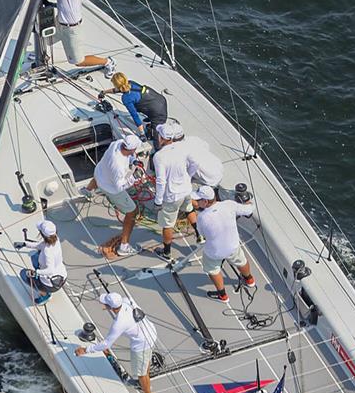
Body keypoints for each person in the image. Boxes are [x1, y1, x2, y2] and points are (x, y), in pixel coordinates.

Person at [75, 292, 158, 393]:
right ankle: (140, 383)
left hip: (142, 343)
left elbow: (106, 344)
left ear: (110, 307)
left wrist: (85, 350)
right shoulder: (128, 301)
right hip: (151, 332)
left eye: (105, 303)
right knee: (144, 365)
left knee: (141, 373)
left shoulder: (120, 322)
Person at [43, 0, 115, 74]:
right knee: (45, 40)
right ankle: (42, 58)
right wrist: (51, 4)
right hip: (60, 22)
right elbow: (66, 3)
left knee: (78, 61)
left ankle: (107, 62)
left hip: (71, 29)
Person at [193, 184, 256, 302]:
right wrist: (248, 203)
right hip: (233, 247)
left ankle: (222, 295)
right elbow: (249, 209)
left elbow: (201, 233)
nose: (196, 202)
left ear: (205, 201)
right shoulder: (229, 205)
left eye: (198, 200)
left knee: (213, 270)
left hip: (214, 252)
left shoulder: (201, 217)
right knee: (241, 261)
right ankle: (250, 280)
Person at [88, 132, 142, 258]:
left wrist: (134, 161)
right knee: (132, 211)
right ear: (132, 148)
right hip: (111, 189)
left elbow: (130, 154)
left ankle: (87, 191)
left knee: (99, 178)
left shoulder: (117, 144)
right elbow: (120, 187)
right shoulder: (118, 166)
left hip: (99, 175)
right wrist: (134, 177)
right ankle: (124, 246)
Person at [152, 120, 193, 259]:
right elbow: (193, 164)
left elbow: (161, 181)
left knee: (167, 225)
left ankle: (167, 253)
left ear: (162, 138)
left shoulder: (159, 156)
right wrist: (188, 178)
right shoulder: (182, 148)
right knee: (189, 210)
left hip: (172, 196)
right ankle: (200, 237)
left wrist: (158, 201)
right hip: (186, 189)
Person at [15, 218, 68, 304]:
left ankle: (45, 295)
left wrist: (36, 273)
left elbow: (50, 270)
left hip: (51, 284)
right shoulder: (56, 239)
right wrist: (25, 244)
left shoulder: (48, 252)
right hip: (62, 275)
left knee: (24, 274)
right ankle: (42, 284)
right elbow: (40, 246)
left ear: (42, 234)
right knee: (35, 257)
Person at [109, 72, 168, 145]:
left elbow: (135, 116)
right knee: (142, 105)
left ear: (117, 85)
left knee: (157, 140)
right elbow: (119, 89)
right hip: (160, 99)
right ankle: (151, 118)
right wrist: (105, 92)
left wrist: (142, 134)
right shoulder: (130, 83)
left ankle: (158, 149)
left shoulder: (126, 98)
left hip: (158, 114)